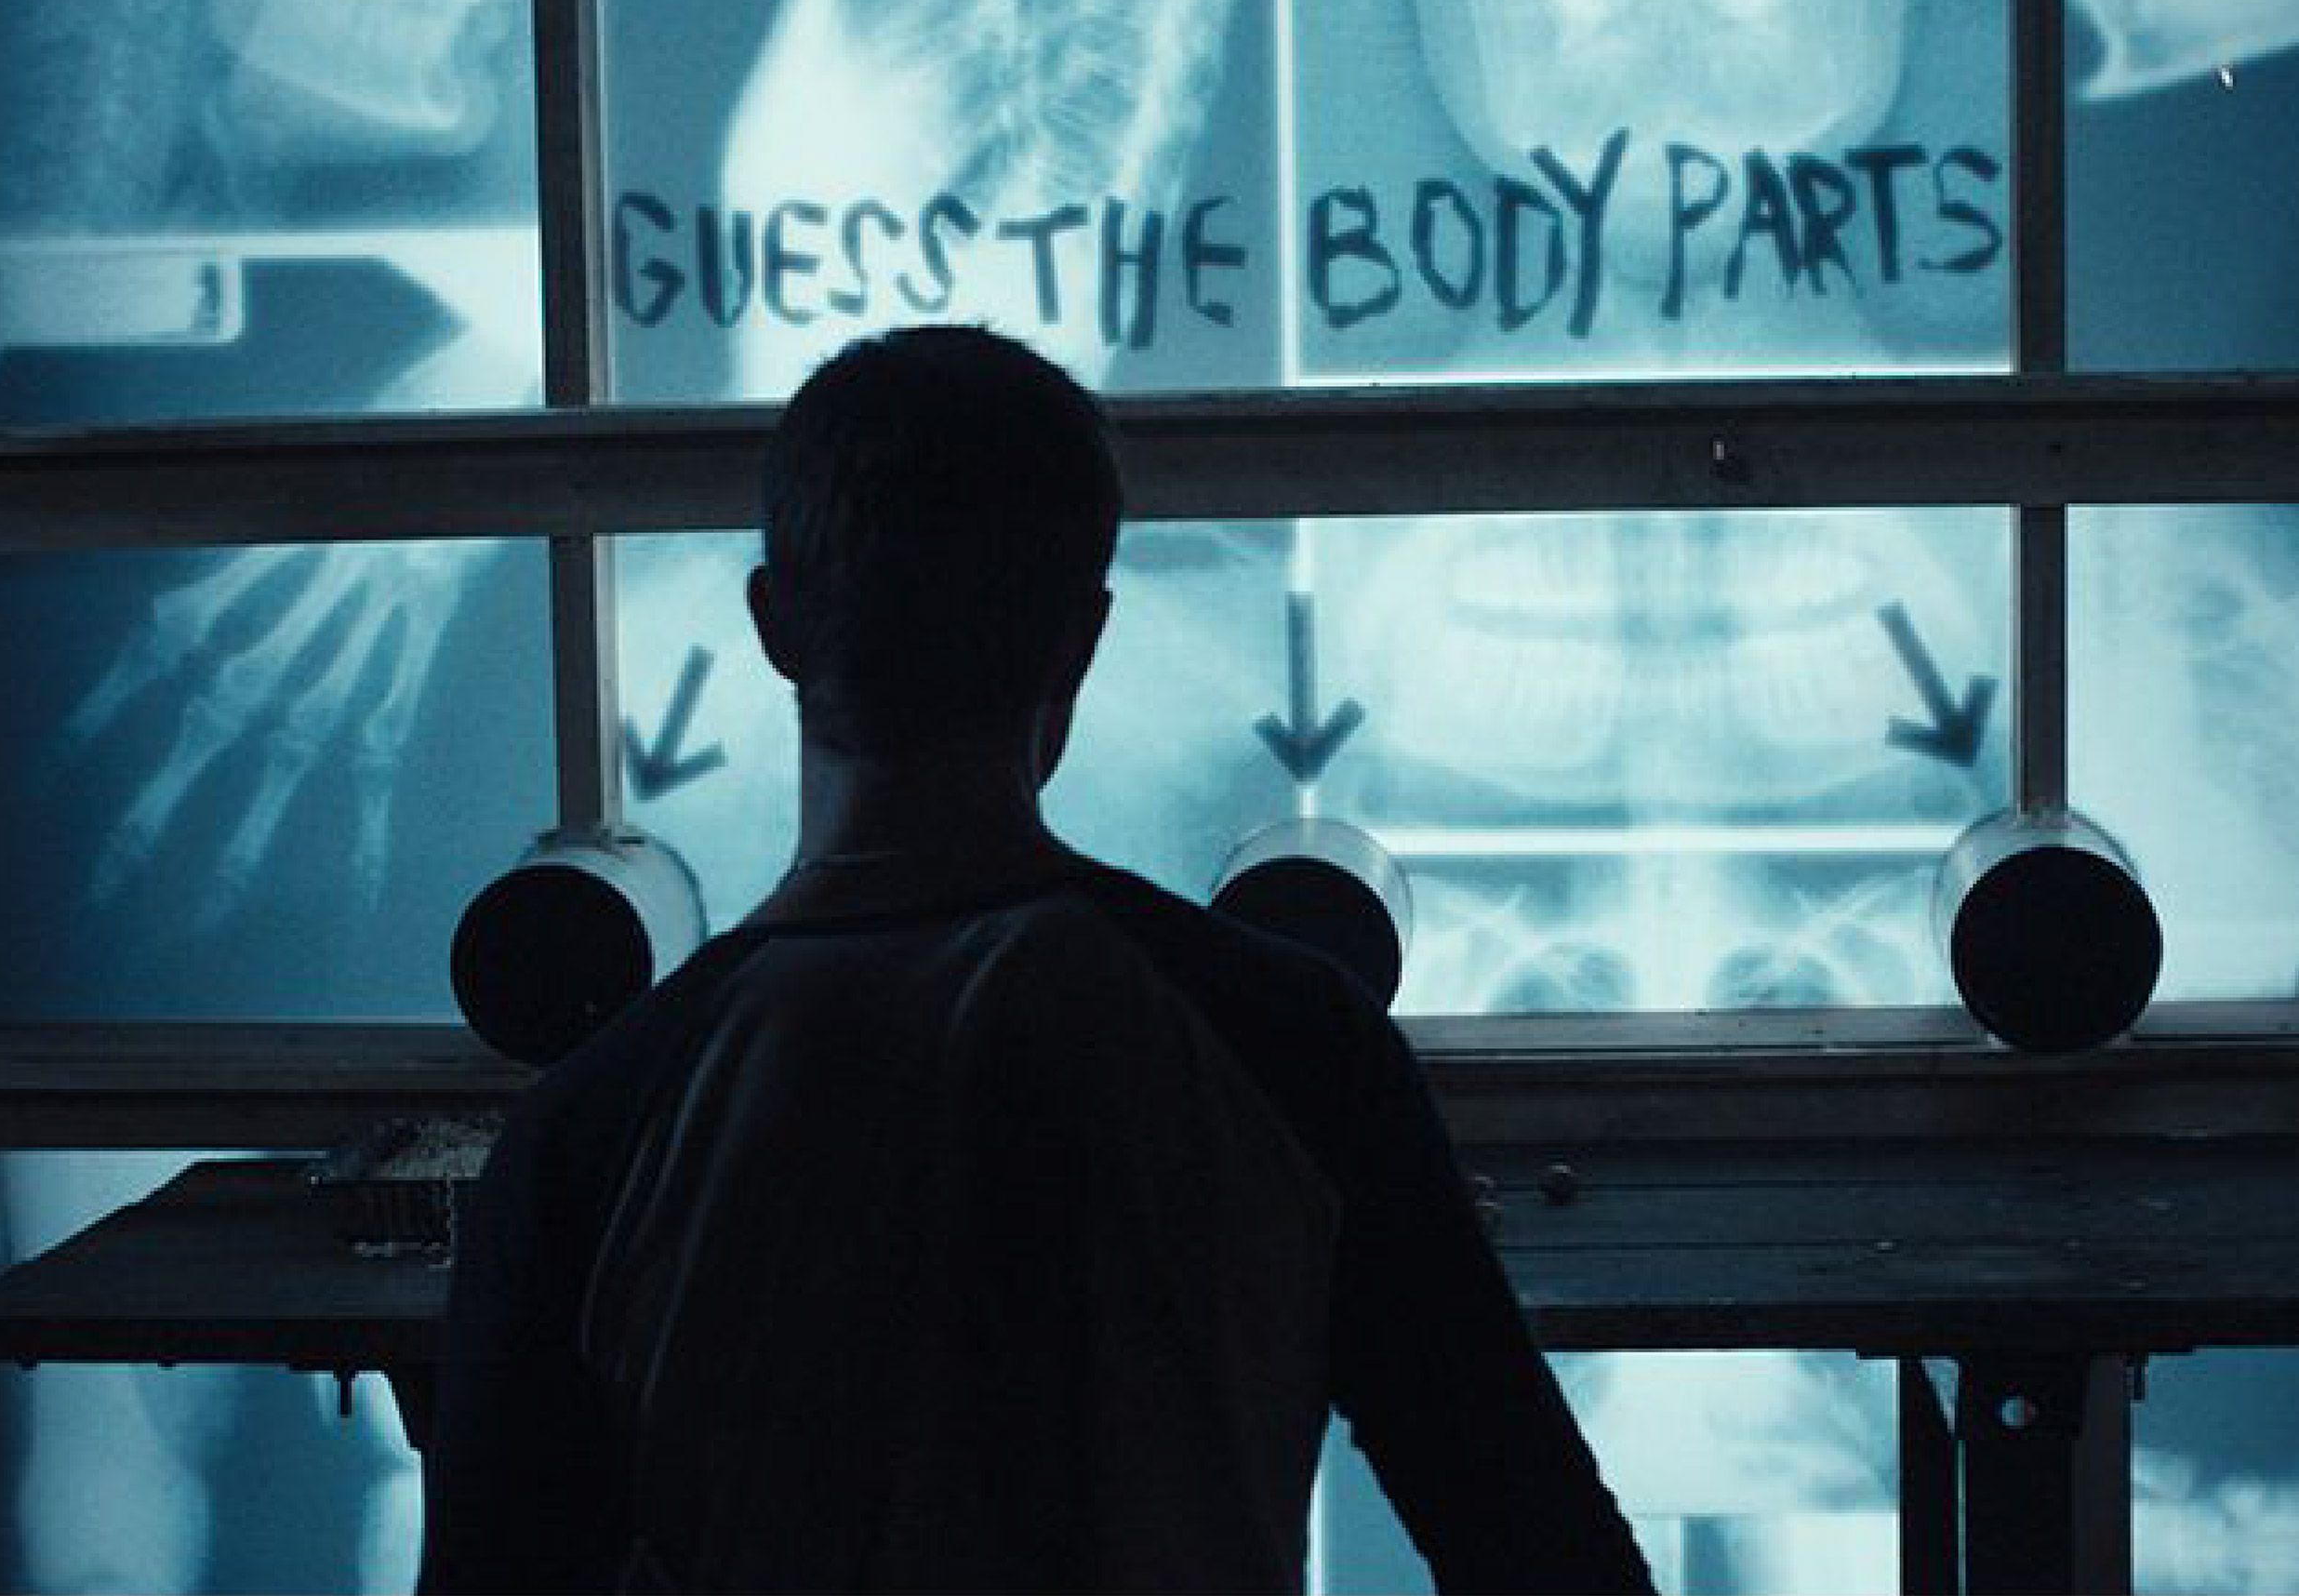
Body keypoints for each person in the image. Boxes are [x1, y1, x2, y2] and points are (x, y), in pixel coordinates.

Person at [417, 325, 1654, 1594]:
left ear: (774, 623)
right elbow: (1545, 1551)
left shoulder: (592, 1132)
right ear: (1083, 635)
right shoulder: (1293, 1050)